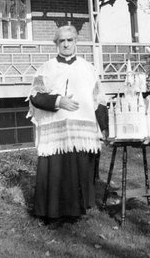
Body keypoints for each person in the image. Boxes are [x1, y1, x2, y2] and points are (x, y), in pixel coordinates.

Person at [27, 25, 108, 224]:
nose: (65, 44)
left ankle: (76, 211)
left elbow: (98, 100)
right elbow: (35, 96)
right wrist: (58, 101)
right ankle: (52, 213)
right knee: (55, 173)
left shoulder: (89, 69)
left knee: (79, 170)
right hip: (56, 131)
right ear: (56, 44)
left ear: (76, 42)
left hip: (81, 132)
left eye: (69, 40)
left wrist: (104, 128)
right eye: (61, 40)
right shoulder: (46, 69)